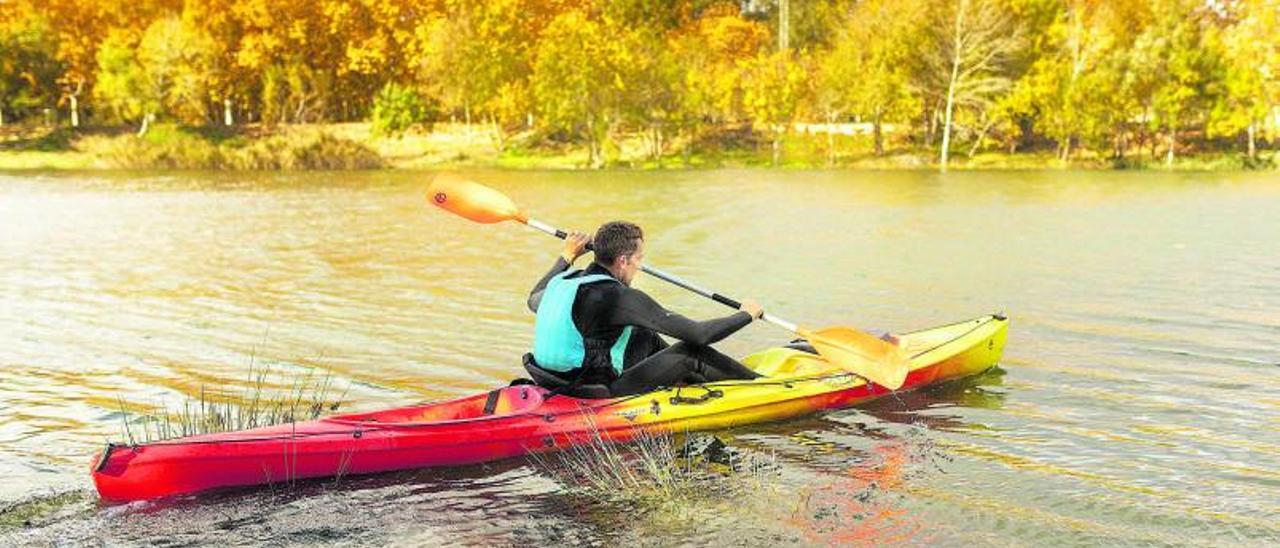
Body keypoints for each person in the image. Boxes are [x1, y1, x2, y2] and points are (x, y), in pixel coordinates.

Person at [526, 220, 764, 397]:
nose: (639, 266)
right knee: (691, 352)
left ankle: (691, 382)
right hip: (591, 391)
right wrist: (746, 314)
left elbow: (532, 299)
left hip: (551, 380)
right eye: (639, 258)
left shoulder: (563, 282)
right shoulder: (619, 297)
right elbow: (700, 335)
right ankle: (765, 387)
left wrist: (567, 255)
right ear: (622, 260)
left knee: (642, 334)